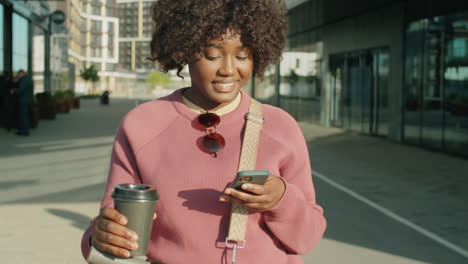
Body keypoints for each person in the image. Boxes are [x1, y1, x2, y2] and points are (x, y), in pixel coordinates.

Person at [81, 0, 326, 263]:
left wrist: (281, 199)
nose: (229, 69)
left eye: (243, 55)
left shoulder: (280, 126)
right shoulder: (140, 125)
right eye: (212, 55)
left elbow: (307, 238)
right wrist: (100, 236)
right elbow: (110, 233)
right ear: (185, 49)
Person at [14, 70, 34, 136]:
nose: (18, 76)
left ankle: (24, 131)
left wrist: (14, 91)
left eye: (18, 74)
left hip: (23, 100)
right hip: (28, 100)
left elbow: (21, 89)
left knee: (23, 116)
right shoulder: (29, 79)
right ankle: (24, 130)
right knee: (25, 115)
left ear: (21, 73)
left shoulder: (24, 80)